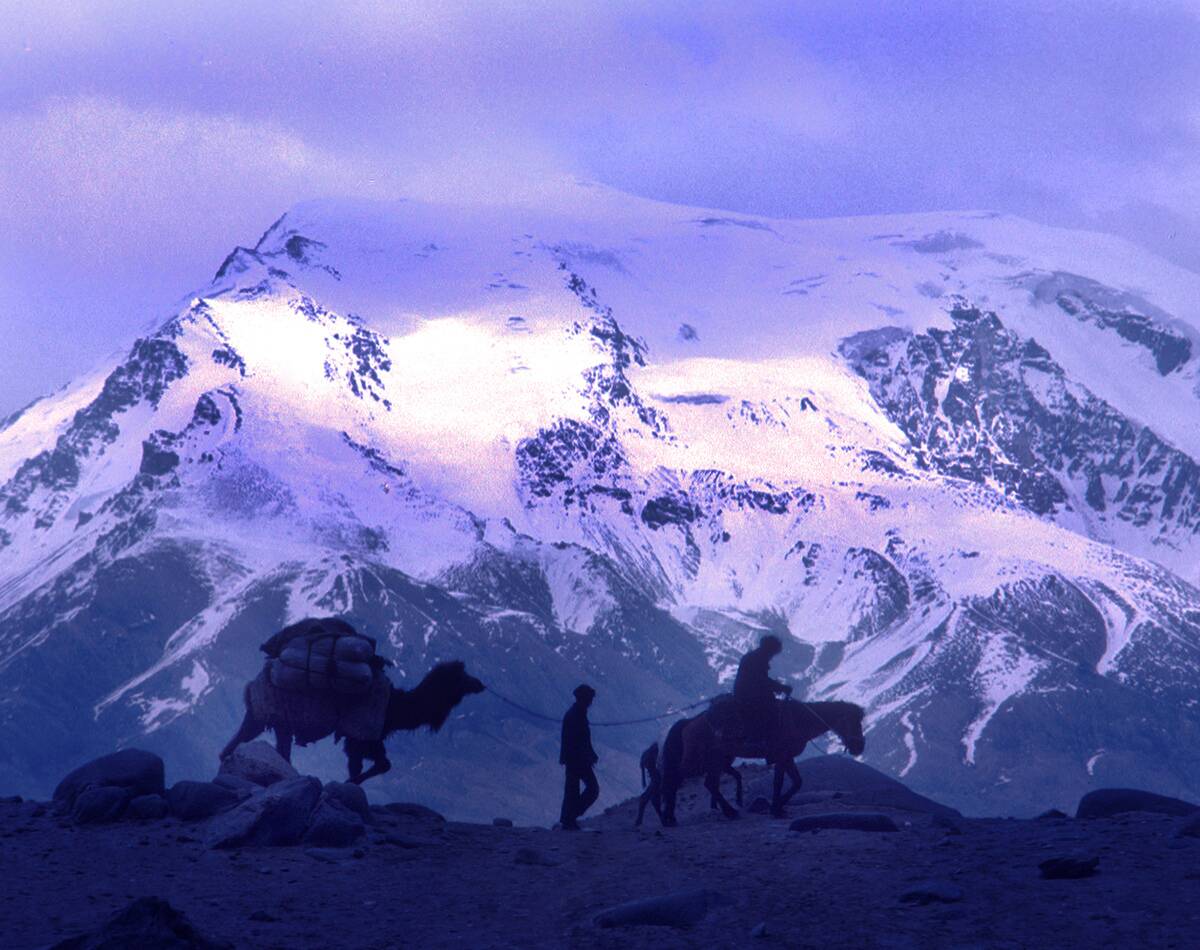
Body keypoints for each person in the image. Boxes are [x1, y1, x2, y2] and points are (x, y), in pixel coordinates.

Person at [732, 634, 792, 741]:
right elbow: (760, 681)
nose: (772, 657)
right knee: (772, 713)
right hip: (749, 696)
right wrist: (781, 688)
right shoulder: (758, 659)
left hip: (745, 693)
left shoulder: (754, 657)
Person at [559, 683, 600, 830]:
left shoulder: (576, 713)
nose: (591, 701)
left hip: (574, 759)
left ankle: (568, 818)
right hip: (577, 760)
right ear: (584, 698)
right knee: (592, 789)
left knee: (572, 789)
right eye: (590, 698)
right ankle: (570, 817)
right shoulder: (577, 715)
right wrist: (589, 756)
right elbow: (578, 741)